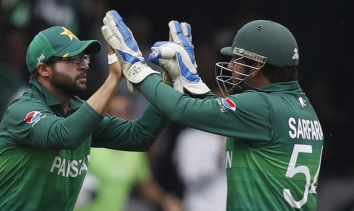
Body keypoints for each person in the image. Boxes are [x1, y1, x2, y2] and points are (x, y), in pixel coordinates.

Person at [101, 10, 324, 210]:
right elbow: (213, 108)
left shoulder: (262, 106)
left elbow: (182, 110)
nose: (229, 66)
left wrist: (136, 66)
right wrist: (187, 78)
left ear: (256, 66)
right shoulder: (301, 108)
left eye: (237, 58)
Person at [0, 26, 167, 210]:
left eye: (84, 57)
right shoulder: (23, 110)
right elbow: (66, 135)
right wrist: (113, 78)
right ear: (44, 69)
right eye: (73, 59)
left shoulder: (77, 110)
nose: (84, 65)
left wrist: (168, 83)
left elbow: (140, 136)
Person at [75, 95, 183, 211]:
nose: (117, 118)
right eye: (112, 112)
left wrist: (166, 200)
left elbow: (144, 185)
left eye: (124, 112)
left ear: (132, 117)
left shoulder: (134, 152)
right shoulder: (89, 145)